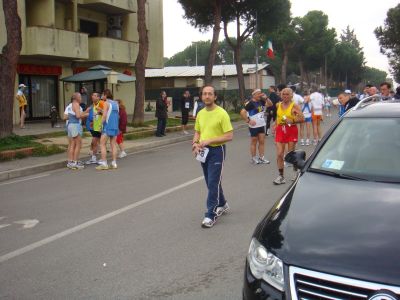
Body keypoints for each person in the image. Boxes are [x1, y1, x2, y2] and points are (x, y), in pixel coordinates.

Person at [192, 85, 233, 228]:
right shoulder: (201, 113)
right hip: (204, 152)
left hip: (217, 151)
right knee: (211, 182)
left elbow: (229, 135)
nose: (207, 96)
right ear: (201, 96)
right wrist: (195, 143)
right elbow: (197, 131)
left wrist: (209, 140)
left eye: (210, 94)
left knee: (213, 183)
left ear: (215, 97)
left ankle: (211, 214)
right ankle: (222, 203)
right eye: (204, 94)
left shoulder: (222, 113)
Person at [273, 88, 304, 185]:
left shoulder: (294, 105)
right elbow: (278, 116)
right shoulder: (278, 105)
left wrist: (293, 120)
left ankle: (296, 173)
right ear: (281, 95)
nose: (285, 96)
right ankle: (281, 176)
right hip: (280, 130)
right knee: (279, 154)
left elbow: (302, 118)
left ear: (291, 96)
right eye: (283, 94)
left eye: (287, 94)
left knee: (290, 154)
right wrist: (275, 125)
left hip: (291, 130)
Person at [241, 89, 273, 164]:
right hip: (254, 126)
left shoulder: (261, 101)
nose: (260, 95)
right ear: (254, 95)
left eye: (261, 93)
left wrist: (266, 98)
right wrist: (248, 121)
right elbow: (242, 112)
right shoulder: (250, 103)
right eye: (259, 94)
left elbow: (271, 104)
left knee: (262, 141)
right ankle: (253, 158)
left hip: (261, 124)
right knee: (254, 142)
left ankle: (261, 157)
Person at [96, 89, 120, 170]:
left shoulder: (106, 103)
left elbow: (105, 115)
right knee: (113, 145)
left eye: (102, 94)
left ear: (105, 95)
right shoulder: (116, 103)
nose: (102, 96)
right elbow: (116, 115)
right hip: (115, 126)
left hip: (107, 126)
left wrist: (100, 125)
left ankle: (104, 163)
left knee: (102, 144)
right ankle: (114, 163)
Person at [64, 93, 88, 170]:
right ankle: (75, 162)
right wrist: (87, 114)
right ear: (76, 98)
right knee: (78, 144)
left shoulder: (71, 105)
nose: (81, 98)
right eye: (80, 96)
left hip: (70, 125)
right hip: (75, 125)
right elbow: (78, 116)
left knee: (72, 144)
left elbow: (72, 115)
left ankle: (70, 161)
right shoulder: (76, 104)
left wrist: (85, 112)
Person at [85, 92, 104, 165]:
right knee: (95, 142)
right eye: (92, 95)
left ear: (98, 97)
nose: (93, 96)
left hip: (101, 126)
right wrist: (92, 122)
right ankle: (94, 158)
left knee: (100, 143)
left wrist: (101, 111)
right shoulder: (93, 105)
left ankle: (102, 159)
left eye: (95, 95)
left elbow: (106, 112)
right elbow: (94, 115)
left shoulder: (101, 103)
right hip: (95, 126)